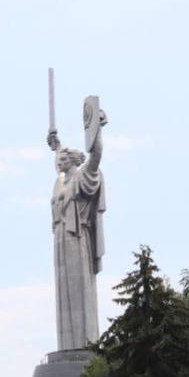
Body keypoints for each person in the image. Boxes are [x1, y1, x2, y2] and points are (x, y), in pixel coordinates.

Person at [47, 106, 106, 352]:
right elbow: (59, 157)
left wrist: (97, 130)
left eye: (62, 159)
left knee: (79, 290)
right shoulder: (60, 182)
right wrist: (57, 145)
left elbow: (95, 157)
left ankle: (84, 345)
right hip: (61, 238)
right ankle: (67, 347)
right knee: (64, 292)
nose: (57, 161)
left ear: (71, 161)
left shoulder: (83, 177)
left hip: (76, 237)